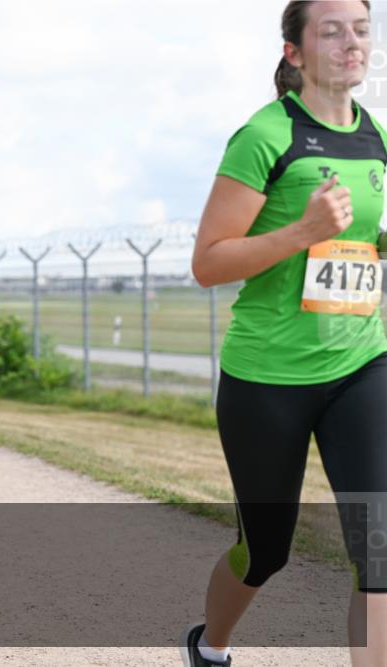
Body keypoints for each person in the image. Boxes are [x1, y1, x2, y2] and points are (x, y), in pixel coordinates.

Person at [187, 3, 386, 666]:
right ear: (295, 52)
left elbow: (365, 254)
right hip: (268, 378)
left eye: (361, 27)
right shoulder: (266, 136)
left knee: (379, 548)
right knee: (265, 549)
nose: (351, 40)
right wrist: (302, 231)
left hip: (363, 364)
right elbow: (209, 261)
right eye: (331, 29)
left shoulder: (375, 138)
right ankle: (211, 645)